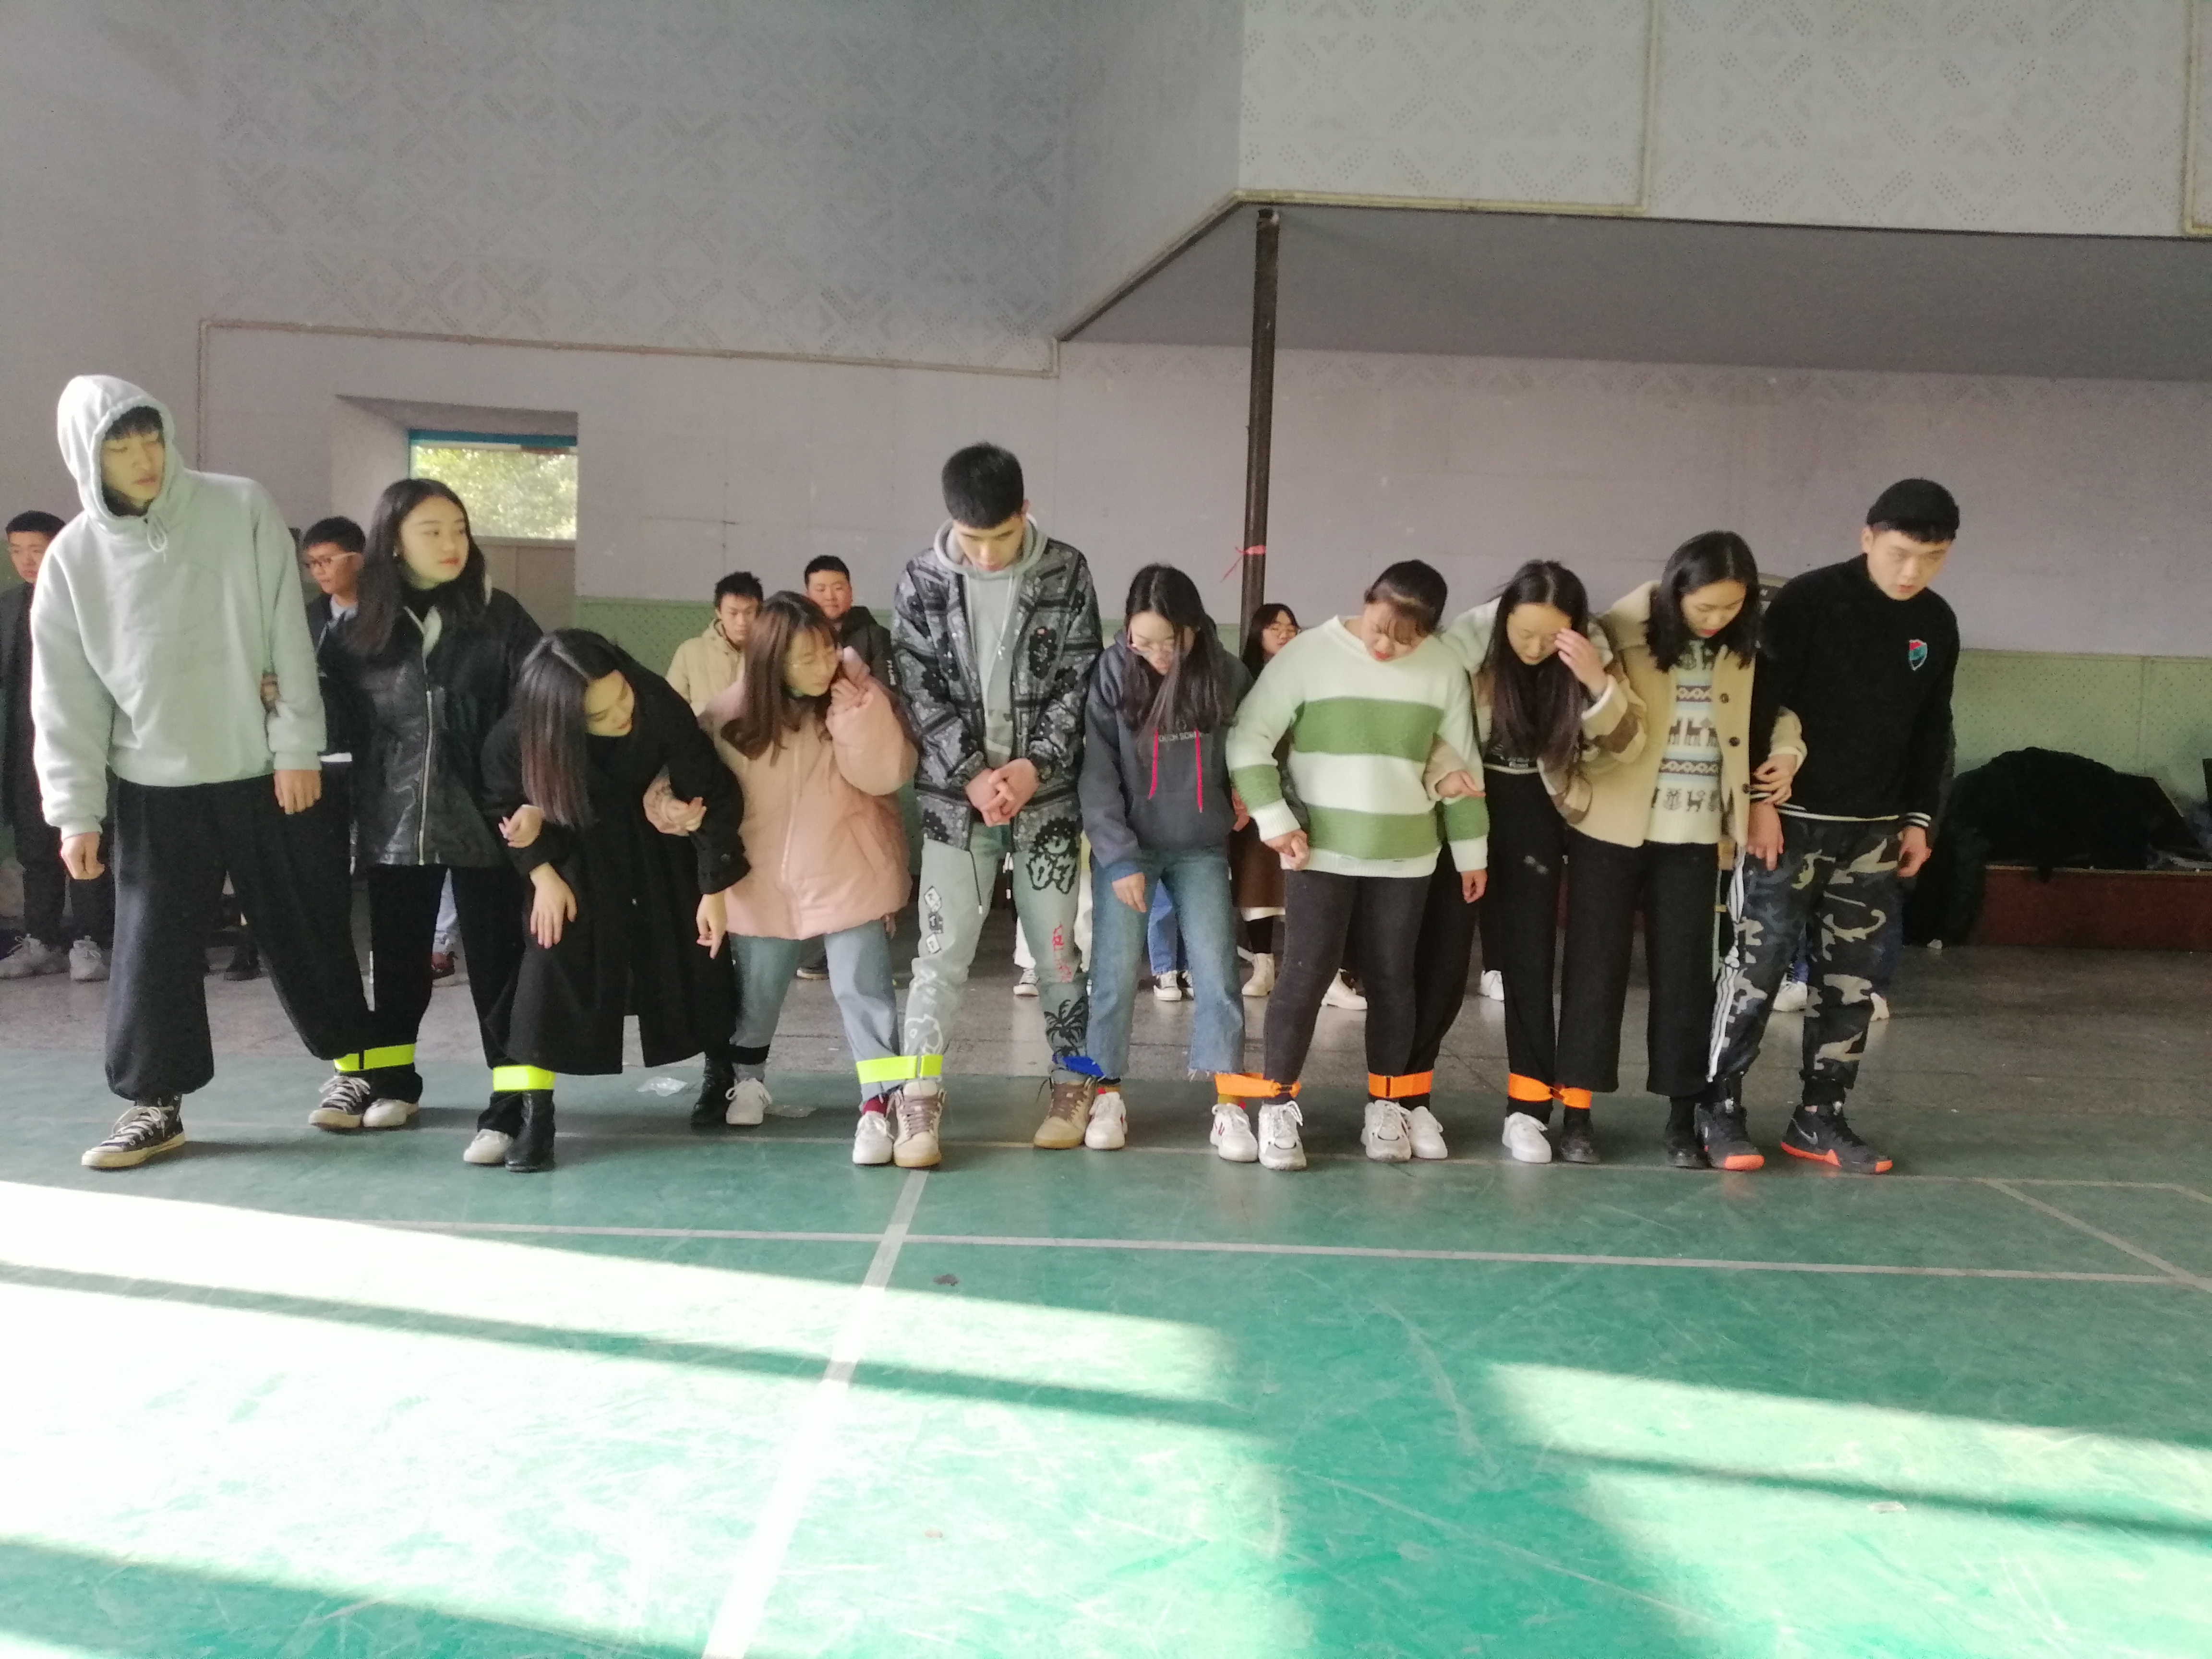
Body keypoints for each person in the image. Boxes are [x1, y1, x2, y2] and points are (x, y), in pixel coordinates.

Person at [32, 377, 375, 1169]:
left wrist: (296, 748)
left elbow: (284, 633)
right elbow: (65, 697)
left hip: (263, 771)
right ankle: (154, 1104)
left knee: (304, 925)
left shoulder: (240, 506)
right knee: (151, 948)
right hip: (154, 785)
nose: (144, 459)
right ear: (88, 459)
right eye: (120, 447)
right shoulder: (74, 559)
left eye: (151, 438)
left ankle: (357, 1066)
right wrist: (75, 812)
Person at [1702, 479, 1961, 1175]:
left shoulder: (1936, 622)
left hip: (1874, 833)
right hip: (1788, 825)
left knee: (1852, 984)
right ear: (1868, 537)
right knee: (1755, 971)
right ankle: (1718, 1107)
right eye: (1900, 553)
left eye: (1932, 558)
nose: (1912, 571)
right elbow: (1762, 702)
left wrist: (1920, 820)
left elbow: (1932, 725)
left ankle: (1820, 1116)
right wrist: (1759, 802)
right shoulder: (1810, 600)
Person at [1226, 561, 1489, 1171]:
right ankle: (1278, 1106)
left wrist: (1471, 853)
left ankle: (1387, 1107)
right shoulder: (1309, 654)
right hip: (1318, 851)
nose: (1385, 647)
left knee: (1393, 980)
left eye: (1405, 639)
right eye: (1378, 628)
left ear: (1430, 632)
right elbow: (1248, 738)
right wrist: (1274, 818)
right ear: (1366, 600)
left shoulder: (1444, 669)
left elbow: (1462, 770)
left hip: (1408, 855)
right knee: (1305, 974)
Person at [1561, 532, 1803, 1168]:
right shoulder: (1618, 632)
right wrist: (1597, 682)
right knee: (1594, 973)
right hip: (1610, 826)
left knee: (1686, 981)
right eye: (1704, 607)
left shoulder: (1746, 649)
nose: (1716, 619)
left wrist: (1787, 754)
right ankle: (1577, 1115)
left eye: (1731, 607)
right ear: (1675, 592)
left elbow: (1773, 715)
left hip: (1694, 836)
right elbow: (1591, 725)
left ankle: (1680, 1116)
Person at [890, 443, 1101, 1166]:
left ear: (1026, 512)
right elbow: (917, 689)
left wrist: (1031, 767)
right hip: (956, 807)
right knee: (939, 958)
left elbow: (1079, 680)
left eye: (1001, 537)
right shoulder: (921, 579)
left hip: (1047, 802)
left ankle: (1075, 1082)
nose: (985, 555)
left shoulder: (1067, 571)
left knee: (1058, 955)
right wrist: (975, 776)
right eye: (971, 538)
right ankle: (918, 1099)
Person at [312, 479, 541, 1135]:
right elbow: (333, 724)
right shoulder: (357, 629)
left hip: (488, 817)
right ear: (393, 542)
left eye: (459, 530)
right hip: (394, 819)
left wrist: (527, 798)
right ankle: (393, 1083)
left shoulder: (501, 617)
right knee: (397, 961)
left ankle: (513, 1099)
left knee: (498, 963)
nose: (450, 544)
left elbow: (536, 709)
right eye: (432, 531)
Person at [479, 631, 742, 1171]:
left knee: (698, 953)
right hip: (572, 850)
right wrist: (542, 876)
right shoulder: (519, 735)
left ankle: (723, 1072)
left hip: (657, 843)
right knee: (550, 959)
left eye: (622, 696)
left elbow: (710, 790)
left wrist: (713, 888)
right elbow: (502, 804)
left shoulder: (656, 703)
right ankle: (535, 1113)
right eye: (600, 715)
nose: (623, 714)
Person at [1415, 561, 1643, 1166]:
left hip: (1535, 819)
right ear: (1503, 618)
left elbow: (1626, 745)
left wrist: (1595, 681)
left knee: (1528, 966)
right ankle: (1410, 1103)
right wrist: (1444, 776)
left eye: (1551, 637)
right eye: (1524, 634)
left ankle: (1528, 1112)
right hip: (1463, 809)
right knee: (1440, 963)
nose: (1536, 648)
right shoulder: (1465, 650)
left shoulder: (1589, 659)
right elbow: (1425, 728)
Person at [699, 592, 916, 1160]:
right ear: (772, 661)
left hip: (849, 873)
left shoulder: (859, 696)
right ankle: (748, 1081)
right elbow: (691, 781)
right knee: (758, 994)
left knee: (863, 990)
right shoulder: (729, 714)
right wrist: (669, 807)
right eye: (806, 658)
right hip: (761, 880)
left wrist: (856, 715)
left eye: (828, 649)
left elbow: (887, 775)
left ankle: (879, 1103)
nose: (824, 666)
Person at [1079, 564, 1250, 1154]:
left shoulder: (1226, 674)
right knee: (1112, 977)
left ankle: (1230, 1105)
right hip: (1132, 848)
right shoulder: (1111, 672)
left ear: (1194, 629)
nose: (1155, 655)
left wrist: (1248, 791)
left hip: (1201, 847)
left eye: (1168, 643)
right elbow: (1097, 774)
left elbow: (1256, 744)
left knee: (1218, 975)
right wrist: (1119, 858)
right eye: (1142, 642)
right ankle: (1106, 1095)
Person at [2, 509, 114, 983]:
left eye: (37, 549)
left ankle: (92, 940)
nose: (26, 561)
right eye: (16, 551)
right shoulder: (11, 605)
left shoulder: (88, 600)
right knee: (34, 846)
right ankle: (41, 939)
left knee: (87, 840)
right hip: (26, 744)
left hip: (78, 739)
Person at [1230, 602, 1298, 997]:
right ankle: (1263, 965)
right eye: (1275, 627)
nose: (1285, 633)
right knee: (1258, 882)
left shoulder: (1307, 674)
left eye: (1291, 627)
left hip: (1301, 791)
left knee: (1302, 882)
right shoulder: (1245, 680)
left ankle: (1316, 973)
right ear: (1258, 633)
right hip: (1258, 792)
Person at [667, 570, 761, 713]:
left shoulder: (768, 655)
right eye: (733, 613)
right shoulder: (689, 652)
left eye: (749, 612)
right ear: (719, 612)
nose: (742, 622)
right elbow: (671, 709)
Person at [803, 554, 897, 689]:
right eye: (821, 590)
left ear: (851, 592)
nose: (830, 597)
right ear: (808, 596)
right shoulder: (800, 635)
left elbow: (891, 691)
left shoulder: (876, 636)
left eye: (838, 588)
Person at [301, 516, 365, 644]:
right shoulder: (307, 618)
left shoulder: (391, 612)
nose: (318, 571)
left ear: (356, 560)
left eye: (326, 561)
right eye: (312, 562)